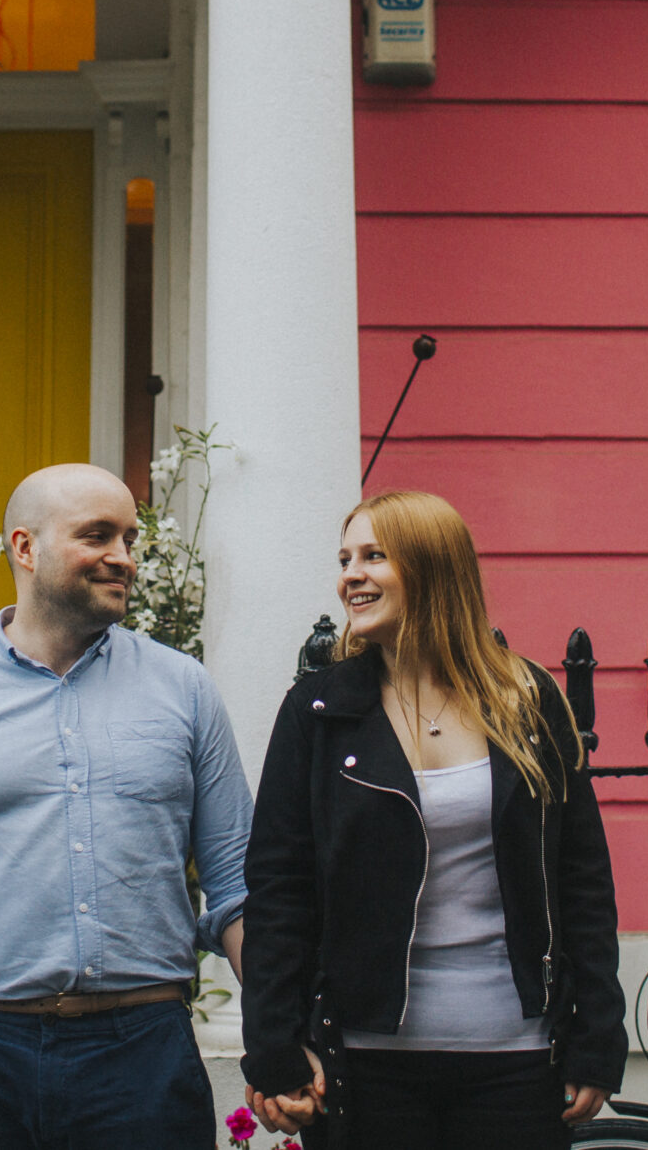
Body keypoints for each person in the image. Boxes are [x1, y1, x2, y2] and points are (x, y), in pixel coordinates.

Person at [0, 462, 253, 1150]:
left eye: (129, 537)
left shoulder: (184, 690)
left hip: (142, 1056)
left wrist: (276, 1035)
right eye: (98, 535)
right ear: (24, 547)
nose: (122, 556)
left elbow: (240, 884)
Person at [241, 489, 626, 1149]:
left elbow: (582, 880)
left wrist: (597, 1035)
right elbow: (281, 889)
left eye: (374, 555)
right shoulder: (321, 710)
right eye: (344, 558)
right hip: (364, 1062)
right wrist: (276, 1045)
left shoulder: (527, 701)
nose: (350, 574)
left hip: (517, 1059)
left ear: (430, 567)